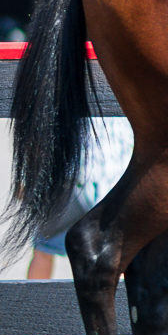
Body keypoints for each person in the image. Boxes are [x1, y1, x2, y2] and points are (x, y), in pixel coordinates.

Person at [26, 116, 134, 279]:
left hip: (72, 180)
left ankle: (32, 301)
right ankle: (120, 301)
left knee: (43, 249)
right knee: (117, 253)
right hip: (115, 181)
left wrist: (26, 181)